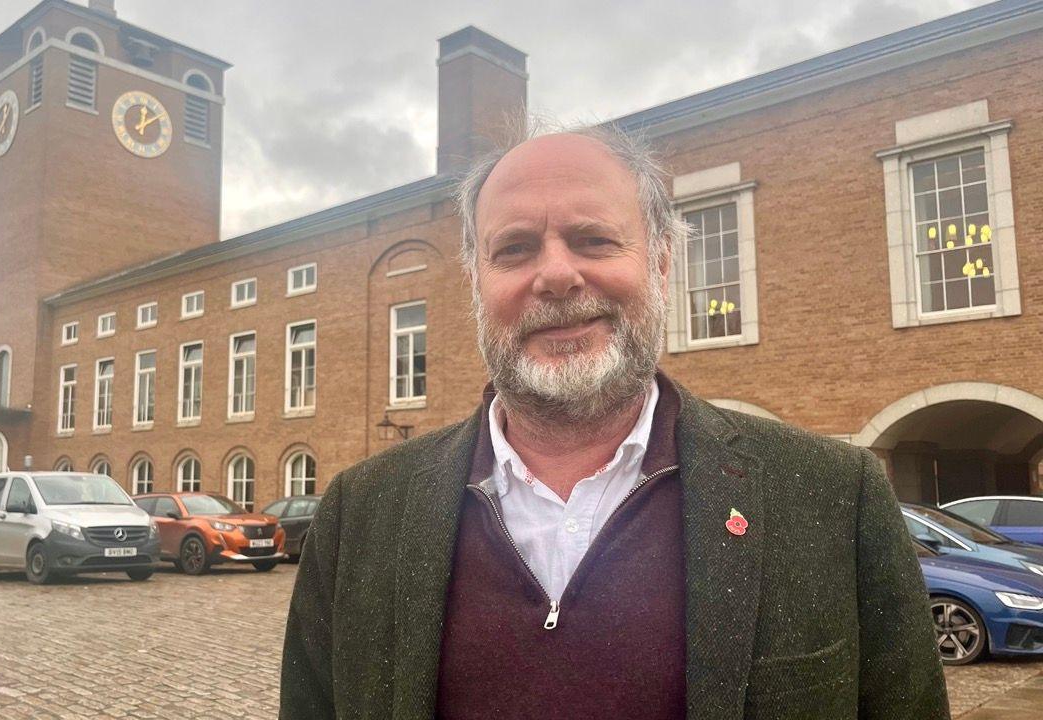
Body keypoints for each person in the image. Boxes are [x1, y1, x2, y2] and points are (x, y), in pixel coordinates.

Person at [280, 120, 949, 720]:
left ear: (660, 260)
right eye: (513, 249)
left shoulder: (835, 495)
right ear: (476, 281)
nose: (557, 275)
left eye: (593, 239)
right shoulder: (361, 511)